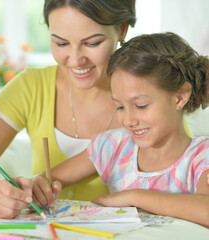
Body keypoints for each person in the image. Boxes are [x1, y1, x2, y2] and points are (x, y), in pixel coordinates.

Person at [0, 0, 136, 218]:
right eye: (61, 43)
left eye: (92, 43)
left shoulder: (154, 94)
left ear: (121, 29)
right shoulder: (32, 87)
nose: (76, 59)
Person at [32, 32, 209, 227]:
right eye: (120, 107)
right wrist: (33, 187)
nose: (128, 120)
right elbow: (46, 181)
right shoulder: (114, 146)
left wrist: (134, 197)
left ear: (180, 97)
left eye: (141, 105)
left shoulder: (201, 157)